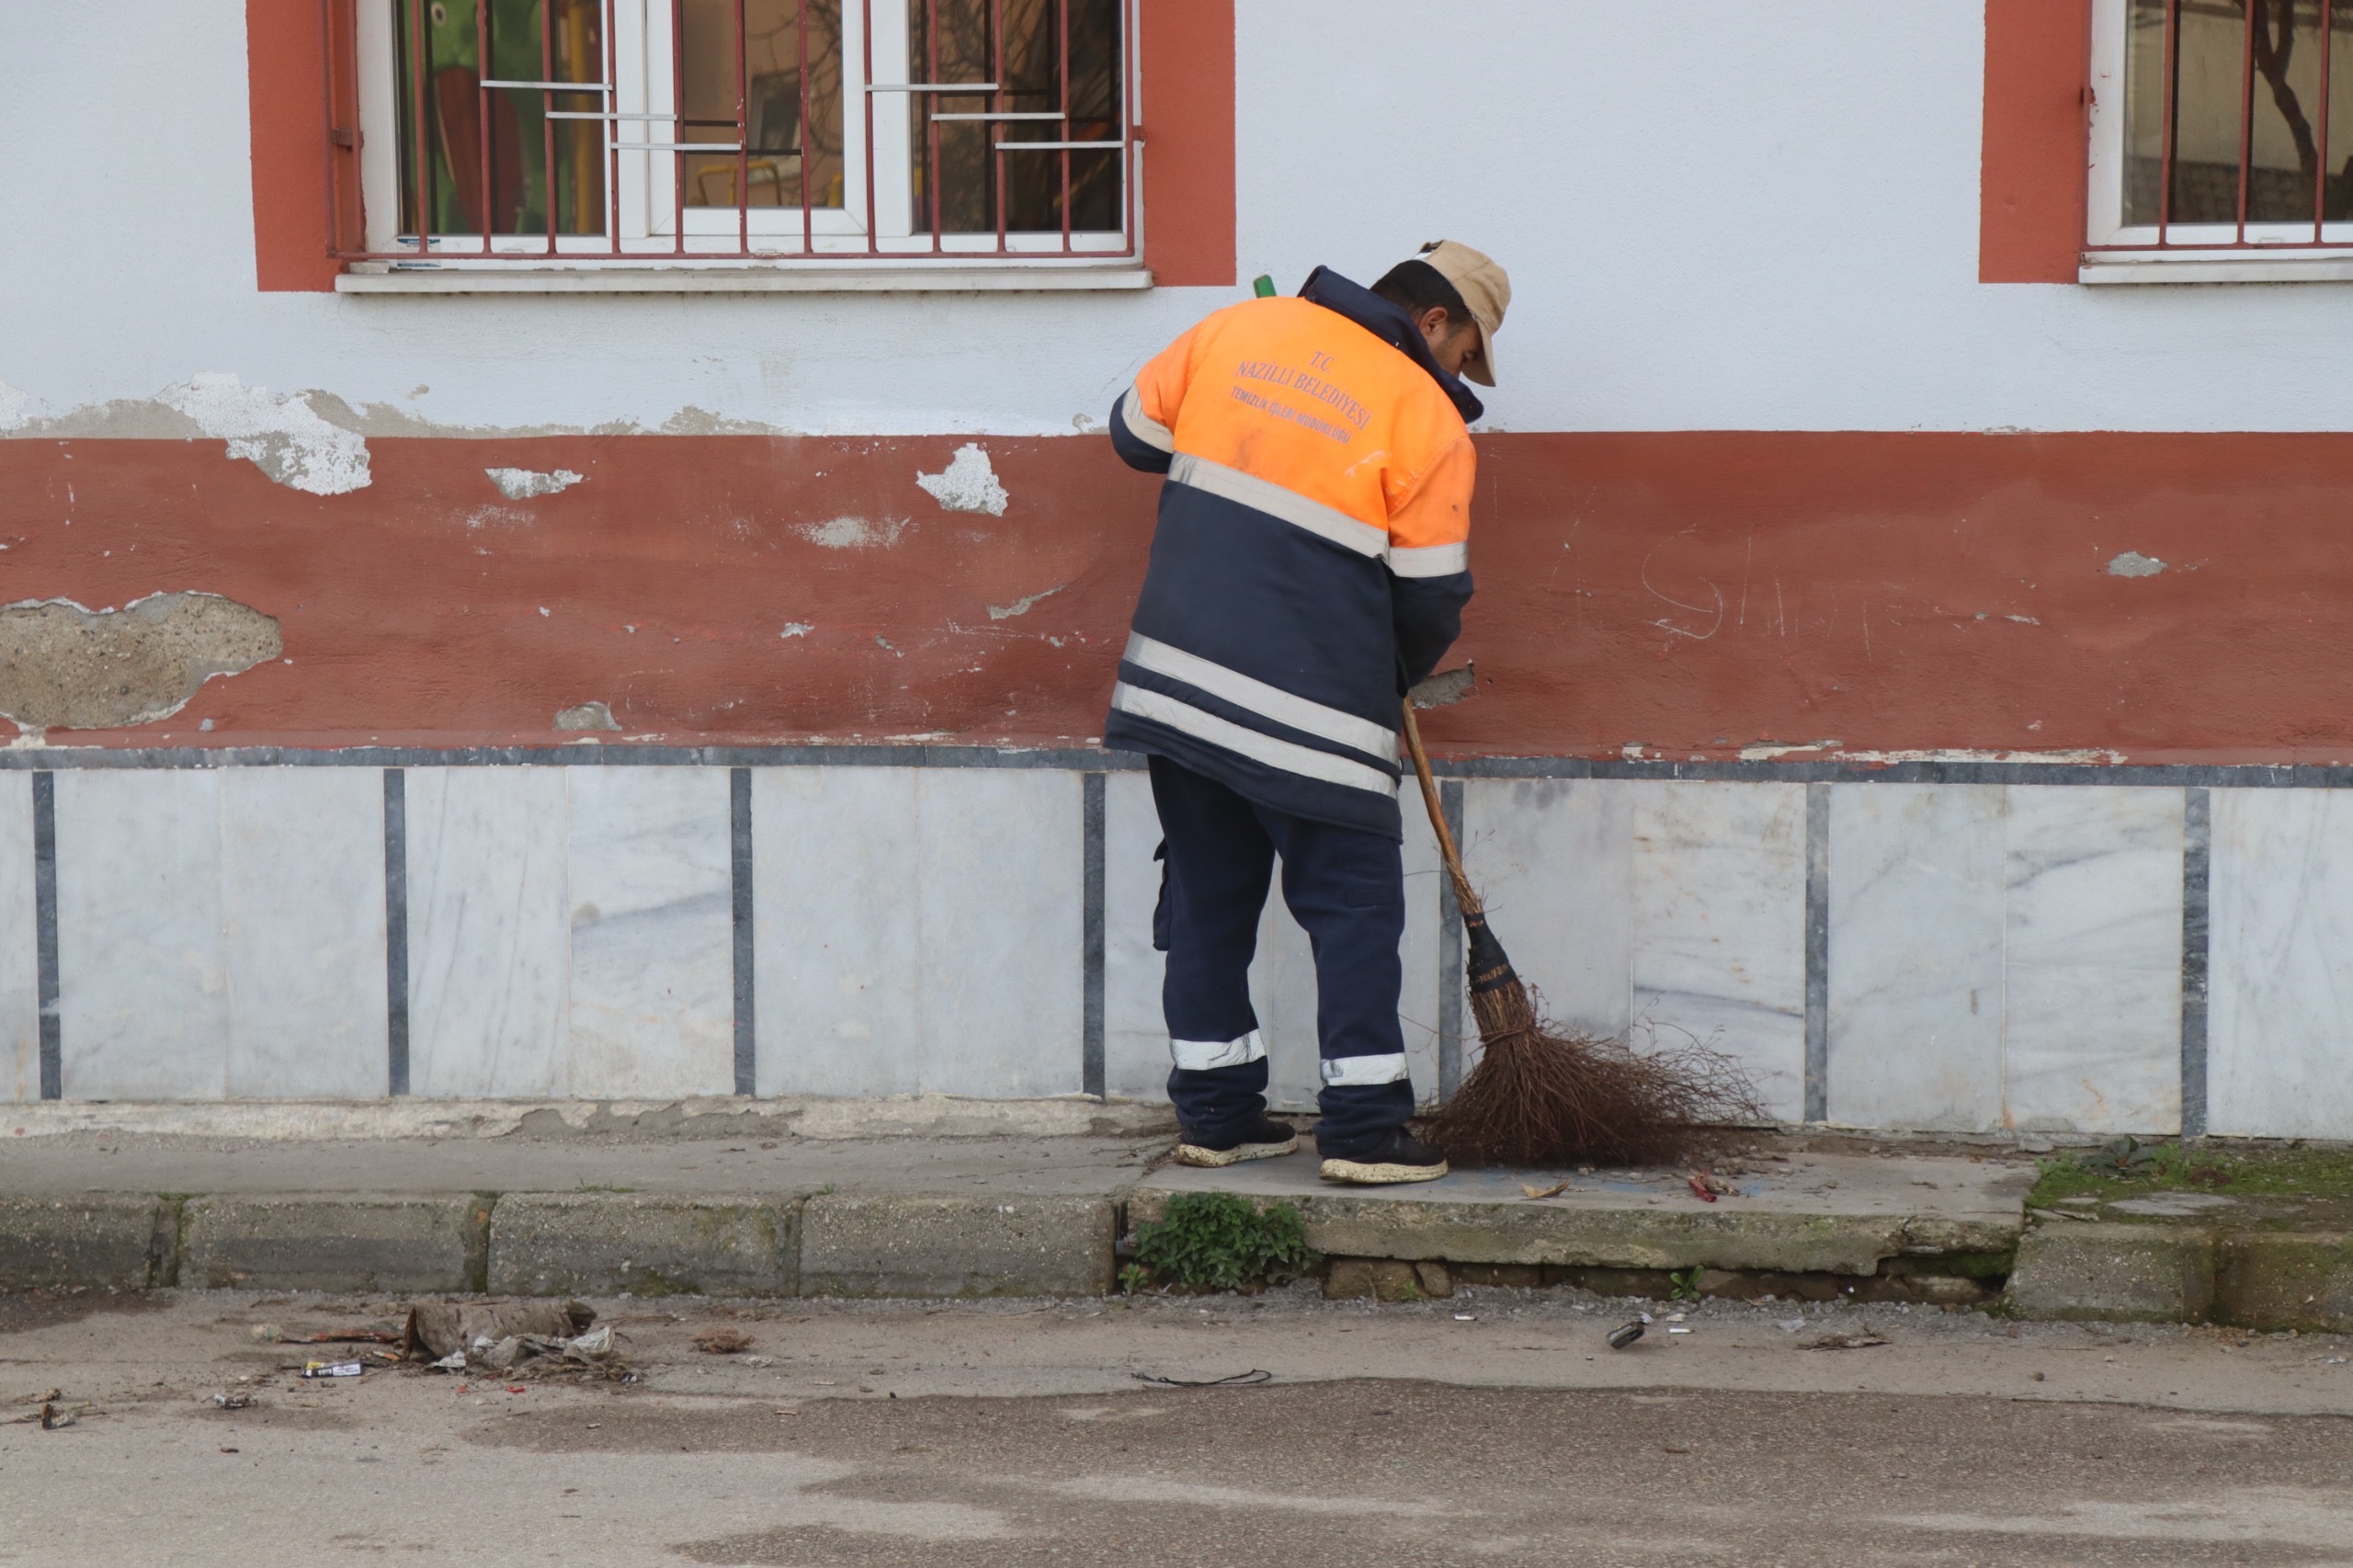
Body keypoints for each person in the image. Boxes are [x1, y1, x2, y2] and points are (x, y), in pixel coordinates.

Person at [1103, 241, 1509, 1185]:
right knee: (1354, 906)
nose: (1461, 378)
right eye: (1465, 357)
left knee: (1209, 895)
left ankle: (1218, 1116)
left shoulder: (1240, 327)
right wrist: (1392, 674)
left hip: (1176, 680)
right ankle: (1365, 1129)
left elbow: (1132, 439)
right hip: (1316, 701)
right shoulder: (1427, 419)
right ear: (1437, 322)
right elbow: (1429, 598)